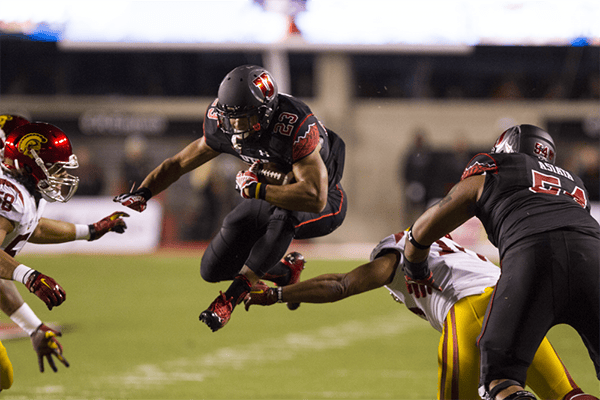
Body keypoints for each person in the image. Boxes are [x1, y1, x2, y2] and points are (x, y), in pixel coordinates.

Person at [114, 64, 347, 332]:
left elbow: (314, 196)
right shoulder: (224, 123)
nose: (235, 124)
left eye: (244, 117)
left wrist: (257, 189)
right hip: (268, 198)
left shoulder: (292, 125)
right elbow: (179, 163)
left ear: (267, 112)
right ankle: (284, 272)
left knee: (284, 216)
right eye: (230, 116)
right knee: (212, 268)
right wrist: (144, 192)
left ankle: (230, 299)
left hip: (326, 202)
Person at [244, 231, 598, 400]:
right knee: (568, 395)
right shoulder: (456, 252)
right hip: (516, 304)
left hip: (472, 311)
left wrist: (277, 294)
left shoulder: (396, 252)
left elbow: (341, 284)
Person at [399, 125, 599, 400]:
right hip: (595, 258)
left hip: (533, 252)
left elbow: (424, 229)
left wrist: (415, 265)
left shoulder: (496, 165)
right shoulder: (574, 183)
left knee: (500, 378)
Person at [0, 121, 129, 391]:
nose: (60, 174)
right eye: (55, 167)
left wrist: (90, 231)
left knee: (2, 377)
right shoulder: (8, 194)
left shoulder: (25, 195)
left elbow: (31, 227)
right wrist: (30, 277)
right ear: (28, 164)